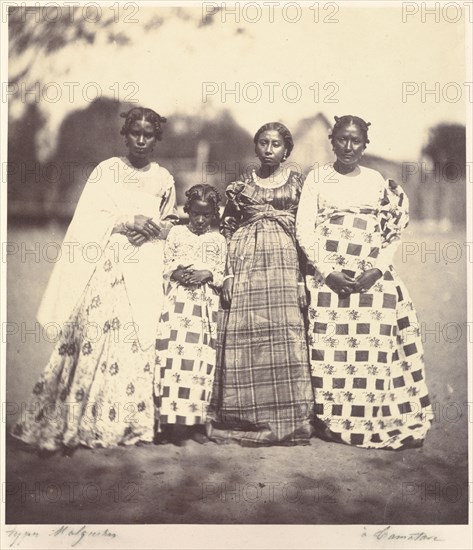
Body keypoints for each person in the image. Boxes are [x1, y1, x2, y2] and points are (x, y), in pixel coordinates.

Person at [12, 107, 178, 454]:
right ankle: (74, 421)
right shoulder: (108, 170)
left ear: (156, 138)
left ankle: (127, 423)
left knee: (136, 337)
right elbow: (88, 217)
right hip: (108, 262)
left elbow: (169, 221)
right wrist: (126, 220)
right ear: (126, 134)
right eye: (136, 132)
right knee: (93, 332)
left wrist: (154, 229)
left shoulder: (163, 178)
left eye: (149, 134)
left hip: (143, 263)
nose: (142, 139)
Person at [296, 115, 432, 450]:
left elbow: (391, 233)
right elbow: (305, 230)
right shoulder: (317, 178)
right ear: (332, 140)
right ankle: (333, 419)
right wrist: (327, 272)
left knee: (376, 340)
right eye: (342, 139)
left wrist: (377, 270)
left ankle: (372, 414)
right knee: (331, 348)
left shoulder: (375, 181)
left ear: (365, 144)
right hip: (329, 276)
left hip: (370, 276)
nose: (348, 147)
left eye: (356, 141)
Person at [208, 122, 314, 446]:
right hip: (245, 268)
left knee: (282, 336)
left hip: (283, 270)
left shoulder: (298, 186)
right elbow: (226, 229)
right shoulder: (241, 187)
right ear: (256, 148)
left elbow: (304, 235)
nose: (269, 149)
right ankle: (242, 416)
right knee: (246, 335)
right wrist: (226, 274)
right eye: (263, 143)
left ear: (287, 151)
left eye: (276, 144)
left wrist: (301, 280)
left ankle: (287, 419)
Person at [155, 185, 226, 445]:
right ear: (188, 211)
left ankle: (195, 424)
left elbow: (221, 273)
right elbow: (164, 263)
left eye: (205, 215)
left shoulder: (218, 240)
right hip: (177, 305)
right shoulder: (176, 233)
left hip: (203, 309)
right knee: (173, 360)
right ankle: (168, 425)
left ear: (213, 215)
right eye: (195, 213)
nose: (199, 220)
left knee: (199, 364)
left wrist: (207, 274)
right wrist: (175, 273)